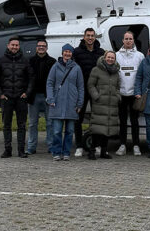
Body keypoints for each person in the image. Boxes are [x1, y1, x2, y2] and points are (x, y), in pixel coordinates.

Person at [0, 36, 31, 158]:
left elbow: (31, 78)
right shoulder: (1, 61)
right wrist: (0, 94)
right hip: (6, 98)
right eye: (12, 45)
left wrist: (27, 93)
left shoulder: (24, 61)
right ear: (8, 46)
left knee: (22, 125)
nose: (14, 47)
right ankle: (7, 150)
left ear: (19, 47)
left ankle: (21, 150)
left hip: (20, 98)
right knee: (6, 125)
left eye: (16, 45)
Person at [46, 44, 84, 161]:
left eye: (69, 52)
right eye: (65, 52)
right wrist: (50, 98)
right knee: (57, 131)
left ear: (72, 54)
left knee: (69, 131)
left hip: (71, 103)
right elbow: (50, 83)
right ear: (62, 53)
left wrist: (79, 103)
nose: (67, 54)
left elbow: (81, 87)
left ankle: (66, 152)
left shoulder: (76, 68)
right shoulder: (55, 67)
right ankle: (56, 152)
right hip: (57, 102)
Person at [72, 27, 101, 157]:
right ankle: (79, 146)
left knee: (97, 118)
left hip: (95, 89)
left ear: (95, 37)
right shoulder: (77, 52)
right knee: (78, 118)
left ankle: (97, 144)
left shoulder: (101, 52)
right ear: (84, 37)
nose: (90, 38)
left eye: (92, 35)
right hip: (81, 90)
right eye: (88, 35)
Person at [87, 50, 121, 160]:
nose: (110, 59)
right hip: (100, 104)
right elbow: (91, 85)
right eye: (109, 57)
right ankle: (91, 151)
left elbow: (117, 87)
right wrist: (96, 96)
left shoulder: (116, 72)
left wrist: (117, 96)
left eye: (112, 58)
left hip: (112, 105)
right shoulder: (96, 70)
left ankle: (103, 151)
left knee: (107, 130)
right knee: (97, 130)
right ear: (104, 57)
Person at [115, 31, 145, 156]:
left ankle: (136, 145)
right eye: (126, 38)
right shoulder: (116, 55)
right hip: (121, 94)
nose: (128, 41)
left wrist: (140, 92)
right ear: (123, 40)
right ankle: (122, 145)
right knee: (122, 121)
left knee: (134, 121)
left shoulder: (140, 56)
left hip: (134, 94)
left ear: (133, 41)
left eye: (130, 39)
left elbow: (142, 75)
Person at [26, 38, 55, 155]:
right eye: (39, 46)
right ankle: (31, 147)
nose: (41, 47)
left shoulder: (52, 62)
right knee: (33, 123)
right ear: (36, 48)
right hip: (33, 97)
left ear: (47, 48)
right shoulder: (30, 61)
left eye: (43, 46)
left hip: (48, 96)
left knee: (50, 123)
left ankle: (51, 146)